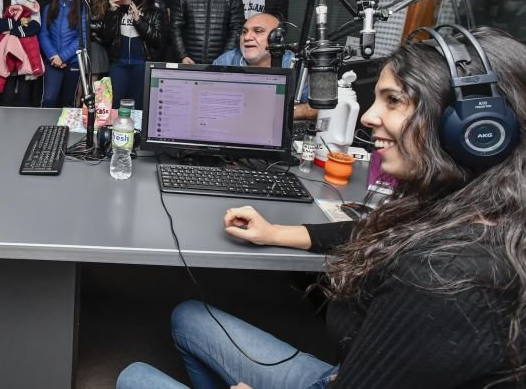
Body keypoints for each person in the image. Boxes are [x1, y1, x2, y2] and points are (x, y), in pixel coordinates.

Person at [118, 27, 526, 389]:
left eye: (393, 101)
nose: (369, 116)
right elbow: (376, 229)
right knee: (189, 317)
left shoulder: (446, 278)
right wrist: (276, 233)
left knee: (132, 377)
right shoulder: (467, 212)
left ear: (472, 129)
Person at [214, 13, 316, 120]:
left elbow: (319, 109)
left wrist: (283, 112)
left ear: (276, 38)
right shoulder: (225, 61)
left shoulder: (298, 64)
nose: (247, 37)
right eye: (244, 32)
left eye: (258, 31)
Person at [102, 0, 165, 110]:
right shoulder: (120, 10)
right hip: (119, 62)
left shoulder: (155, 12)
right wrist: (112, 11)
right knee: (115, 102)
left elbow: (157, 39)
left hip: (142, 63)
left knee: (137, 104)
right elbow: (107, 36)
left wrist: (138, 19)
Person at [39, 0, 84, 108]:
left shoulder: (82, 9)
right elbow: (43, 34)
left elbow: (81, 38)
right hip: (53, 61)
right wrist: (54, 56)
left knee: (68, 102)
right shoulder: (48, 8)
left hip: (73, 62)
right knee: (49, 99)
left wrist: (62, 57)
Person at [86, 0, 109, 81]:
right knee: (80, 86)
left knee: (96, 85)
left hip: (97, 47)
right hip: (79, 47)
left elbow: (104, 27)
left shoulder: (104, 1)